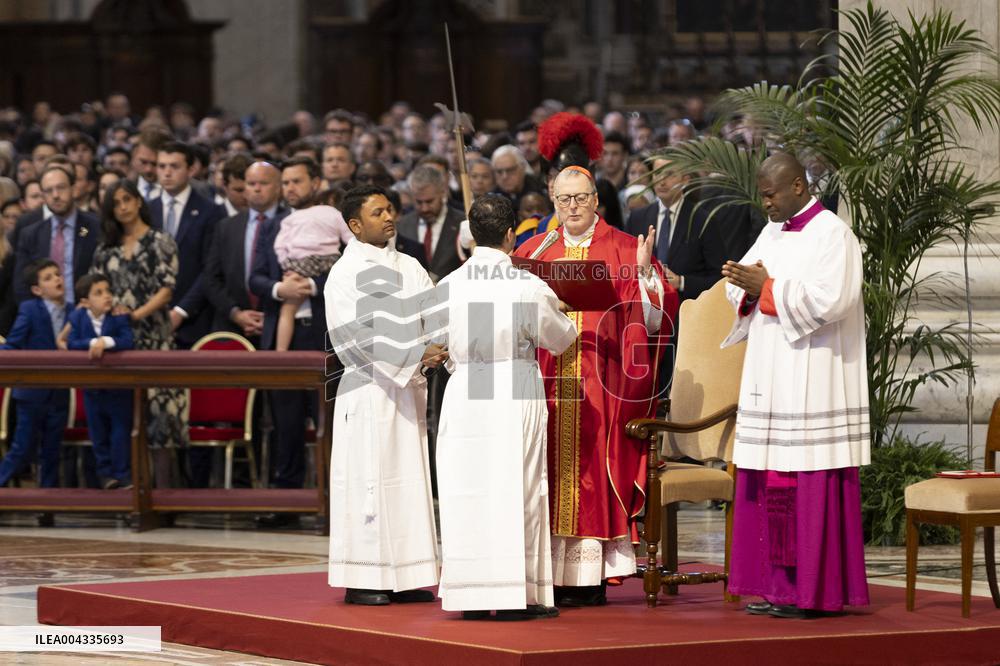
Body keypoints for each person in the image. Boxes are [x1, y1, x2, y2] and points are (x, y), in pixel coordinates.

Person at [513, 165, 678, 606]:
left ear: (596, 201)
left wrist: (645, 278)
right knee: (547, 469)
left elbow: (657, 317)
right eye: (564, 199)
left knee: (591, 471)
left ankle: (588, 578)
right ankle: (547, 574)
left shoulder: (624, 248)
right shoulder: (535, 250)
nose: (573, 207)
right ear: (553, 200)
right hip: (546, 380)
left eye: (581, 198)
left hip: (601, 381)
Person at [721, 152, 870, 618]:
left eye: (770, 194)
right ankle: (776, 587)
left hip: (814, 375)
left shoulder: (834, 234)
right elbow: (743, 282)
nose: (764, 203)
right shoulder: (772, 230)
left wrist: (768, 287)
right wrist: (746, 287)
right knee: (769, 480)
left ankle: (814, 592)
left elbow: (834, 300)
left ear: (799, 188)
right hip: (772, 373)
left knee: (806, 479)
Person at [436, 194, 576, 621]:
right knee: (521, 487)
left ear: (471, 235)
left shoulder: (448, 285)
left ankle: (472, 597)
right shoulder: (526, 285)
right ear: (511, 235)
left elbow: (435, 340)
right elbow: (562, 338)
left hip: (464, 390)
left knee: (467, 489)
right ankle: (519, 596)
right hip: (514, 386)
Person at [325, 185, 444, 606]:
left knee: (408, 480)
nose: (389, 217)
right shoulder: (344, 274)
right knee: (369, 482)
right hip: (369, 390)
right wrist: (416, 352)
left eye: (390, 209)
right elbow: (356, 338)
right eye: (377, 212)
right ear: (355, 225)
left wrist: (441, 343)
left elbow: (433, 314)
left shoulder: (410, 265)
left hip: (407, 392)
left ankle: (408, 574)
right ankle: (366, 577)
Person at [91, 180, 180, 487]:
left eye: (127, 199)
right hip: (118, 342)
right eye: (115, 203)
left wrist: (134, 315)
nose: (123, 207)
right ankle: (129, 489)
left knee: (160, 416)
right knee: (123, 416)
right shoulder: (106, 247)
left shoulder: (159, 240)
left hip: (154, 337)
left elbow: (167, 290)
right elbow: (95, 289)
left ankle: (165, 493)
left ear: (139, 201)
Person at [0, 259, 72, 491]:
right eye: (49, 277)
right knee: (21, 448)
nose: (57, 279)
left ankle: (46, 505)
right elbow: (14, 344)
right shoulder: (30, 309)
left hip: (60, 392)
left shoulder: (74, 311)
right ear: (37, 290)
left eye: (58, 274)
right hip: (32, 393)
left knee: (52, 450)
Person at [66, 273, 134, 489]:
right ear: (85, 302)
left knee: (120, 432)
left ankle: (122, 474)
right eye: (99, 293)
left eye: (108, 291)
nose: (107, 297)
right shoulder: (77, 318)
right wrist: (94, 342)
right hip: (93, 389)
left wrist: (105, 341)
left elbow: (128, 341)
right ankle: (106, 475)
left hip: (118, 388)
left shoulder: (118, 316)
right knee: (98, 432)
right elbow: (72, 343)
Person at [272, 204, 352, 351]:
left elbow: (279, 245)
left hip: (301, 263)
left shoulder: (291, 217)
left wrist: (286, 265)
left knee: (287, 310)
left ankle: (280, 354)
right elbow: (351, 237)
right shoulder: (334, 213)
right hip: (329, 260)